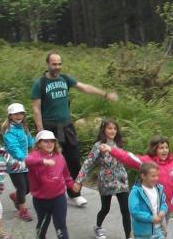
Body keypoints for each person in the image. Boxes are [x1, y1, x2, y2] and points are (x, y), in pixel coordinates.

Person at [30, 51, 117, 207]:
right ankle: (42, 191)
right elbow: (36, 109)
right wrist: (41, 132)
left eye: (59, 64)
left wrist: (104, 94)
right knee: (49, 160)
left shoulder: (65, 79)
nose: (57, 67)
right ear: (48, 64)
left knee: (74, 159)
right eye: (54, 64)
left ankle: (74, 193)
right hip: (49, 127)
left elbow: (84, 87)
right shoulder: (40, 84)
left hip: (66, 126)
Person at [105, 134, 173, 239]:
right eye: (161, 148)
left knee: (160, 233)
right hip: (148, 208)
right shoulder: (147, 163)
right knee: (151, 233)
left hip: (165, 208)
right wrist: (111, 149)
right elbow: (128, 157)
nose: (164, 150)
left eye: (166, 147)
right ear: (154, 149)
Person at [26, 129, 80, 239]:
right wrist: (43, 161)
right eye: (46, 141)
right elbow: (28, 161)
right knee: (43, 222)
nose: (49, 144)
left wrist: (72, 185)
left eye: (52, 141)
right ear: (39, 143)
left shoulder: (59, 157)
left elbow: (66, 176)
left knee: (60, 224)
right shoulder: (34, 156)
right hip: (41, 199)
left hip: (58, 197)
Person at [75, 119, 132, 239]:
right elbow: (88, 163)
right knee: (105, 208)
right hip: (106, 182)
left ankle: (129, 238)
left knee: (125, 209)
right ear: (104, 130)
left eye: (115, 129)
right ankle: (98, 226)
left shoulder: (119, 144)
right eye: (109, 128)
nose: (112, 131)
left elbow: (127, 159)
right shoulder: (98, 146)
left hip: (121, 181)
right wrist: (79, 180)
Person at [1, 102, 35, 222]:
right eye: (15, 114)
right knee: (21, 187)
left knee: (29, 187)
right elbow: (13, 148)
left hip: (25, 161)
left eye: (21, 113)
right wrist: (25, 158)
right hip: (14, 163)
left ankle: (16, 197)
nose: (19, 116)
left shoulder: (23, 128)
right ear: (10, 116)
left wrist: (39, 146)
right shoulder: (8, 130)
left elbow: (30, 142)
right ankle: (22, 211)